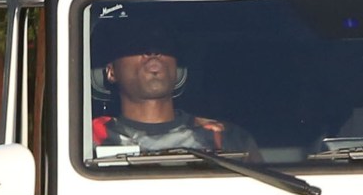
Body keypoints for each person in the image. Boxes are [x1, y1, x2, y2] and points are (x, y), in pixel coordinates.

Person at [91, 9, 256, 154]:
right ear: (111, 72)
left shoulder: (225, 137)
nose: (153, 52)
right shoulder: (88, 137)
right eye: (136, 45)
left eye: (162, 44)